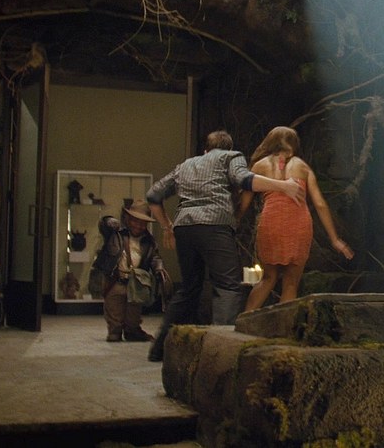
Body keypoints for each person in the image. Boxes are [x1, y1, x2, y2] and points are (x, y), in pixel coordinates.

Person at [146, 130, 304, 362]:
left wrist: (167, 227)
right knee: (228, 286)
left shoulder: (185, 166)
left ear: (205, 150)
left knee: (189, 288)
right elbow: (244, 179)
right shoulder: (231, 157)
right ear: (228, 148)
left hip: (185, 228)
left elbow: (153, 195)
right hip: (214, 225)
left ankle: (159, 349)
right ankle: (220, 353)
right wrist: (283, 186)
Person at [239, 126, 354, 312]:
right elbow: (320, 204)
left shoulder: (259, 166)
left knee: (267, 278)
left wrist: (233, 223)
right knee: (291, 282)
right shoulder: (302, 166)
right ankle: (282, 326)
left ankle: (244, 320)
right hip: (298, 225)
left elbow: (244, 203)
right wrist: (335, 239)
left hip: (271, 223)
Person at [92, 199, 168, 342]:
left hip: (136, 282)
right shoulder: (116, 234)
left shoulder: (149, 241)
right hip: (116, 280)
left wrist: (159, 267)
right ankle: (115, 331)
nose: (138, 226)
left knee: (134, 311)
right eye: (135, 221)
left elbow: (155, 257)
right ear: (128, 219)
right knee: (114, 309)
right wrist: (109, 221)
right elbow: (104, 225)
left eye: (142, 223)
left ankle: (132, 330)